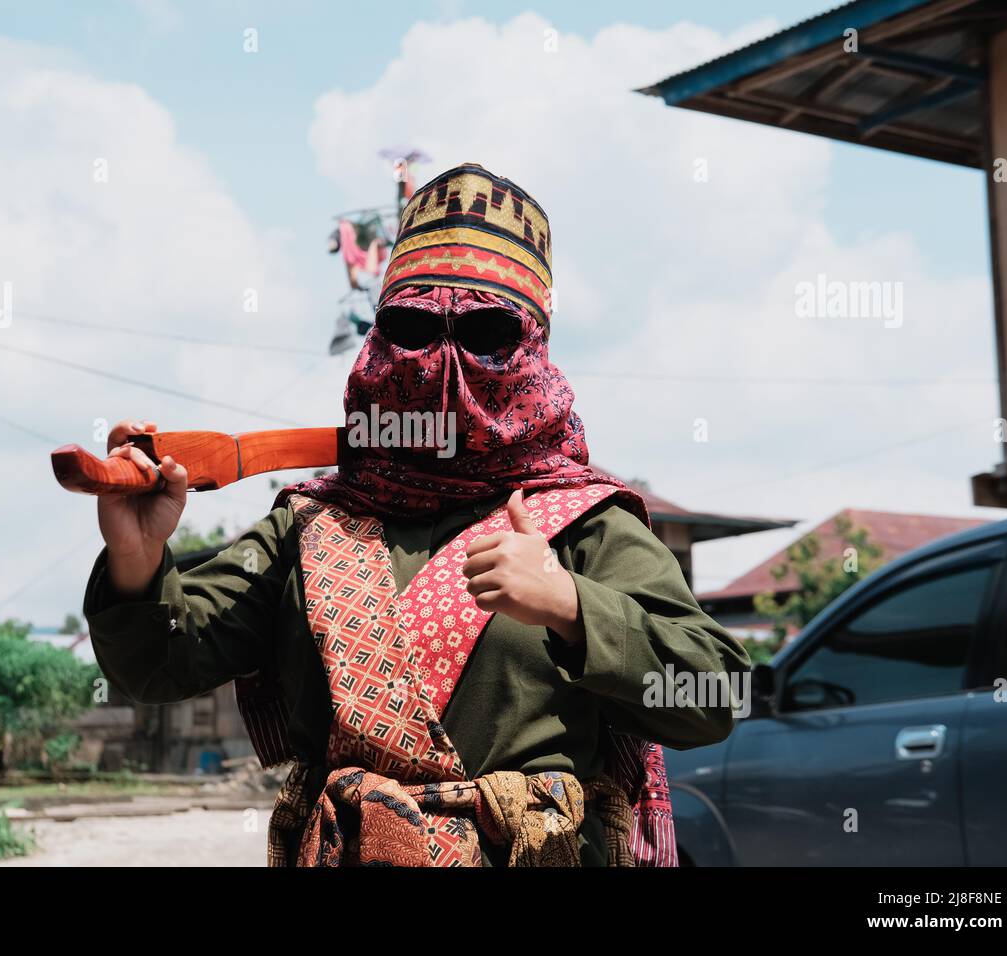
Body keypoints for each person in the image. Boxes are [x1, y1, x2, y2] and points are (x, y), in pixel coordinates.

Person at [84, 163, 750, 866]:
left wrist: (570, 604)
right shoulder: (312, 524)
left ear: (532, 347)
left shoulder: (584, 521)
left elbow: (716, 693)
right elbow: (156, 667)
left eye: (486, 333)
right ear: (380, 336)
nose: (444, 366)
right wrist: (136, 555)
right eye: (414, 328)